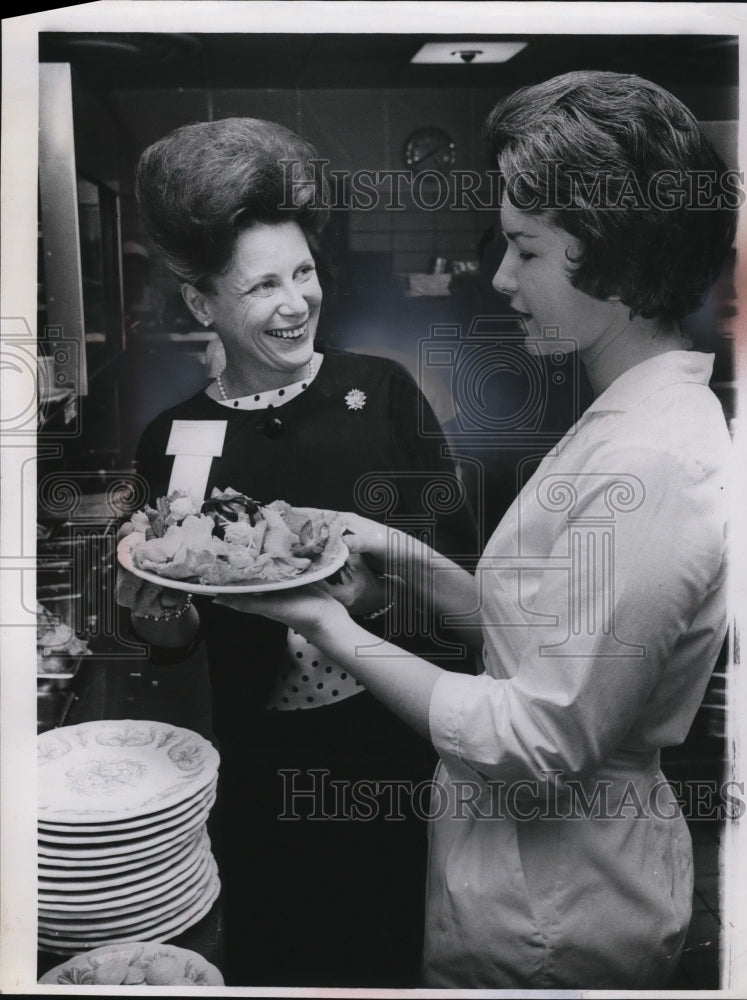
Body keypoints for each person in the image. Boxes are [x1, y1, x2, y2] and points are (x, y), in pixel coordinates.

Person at [217, 72, 736, 989]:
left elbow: (534, 741)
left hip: (560, 916)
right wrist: (388, 551)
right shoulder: (623, 411)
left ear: (611, 258)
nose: (498, 278)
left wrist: (327, 627)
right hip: (517, 875)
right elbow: (535, 624)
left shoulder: (654, 463)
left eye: (525, 251)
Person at [115, 117, 477, 987]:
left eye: (305, 273)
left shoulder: (381, 393)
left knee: (392, 949)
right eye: (262, 285)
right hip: (260, 752)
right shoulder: (174, 438)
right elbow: (174, 639)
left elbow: (468, 596)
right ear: (204, 305)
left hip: (393, 743)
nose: (296, 302)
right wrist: (153, 621)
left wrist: (372, 603)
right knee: (275, 948)